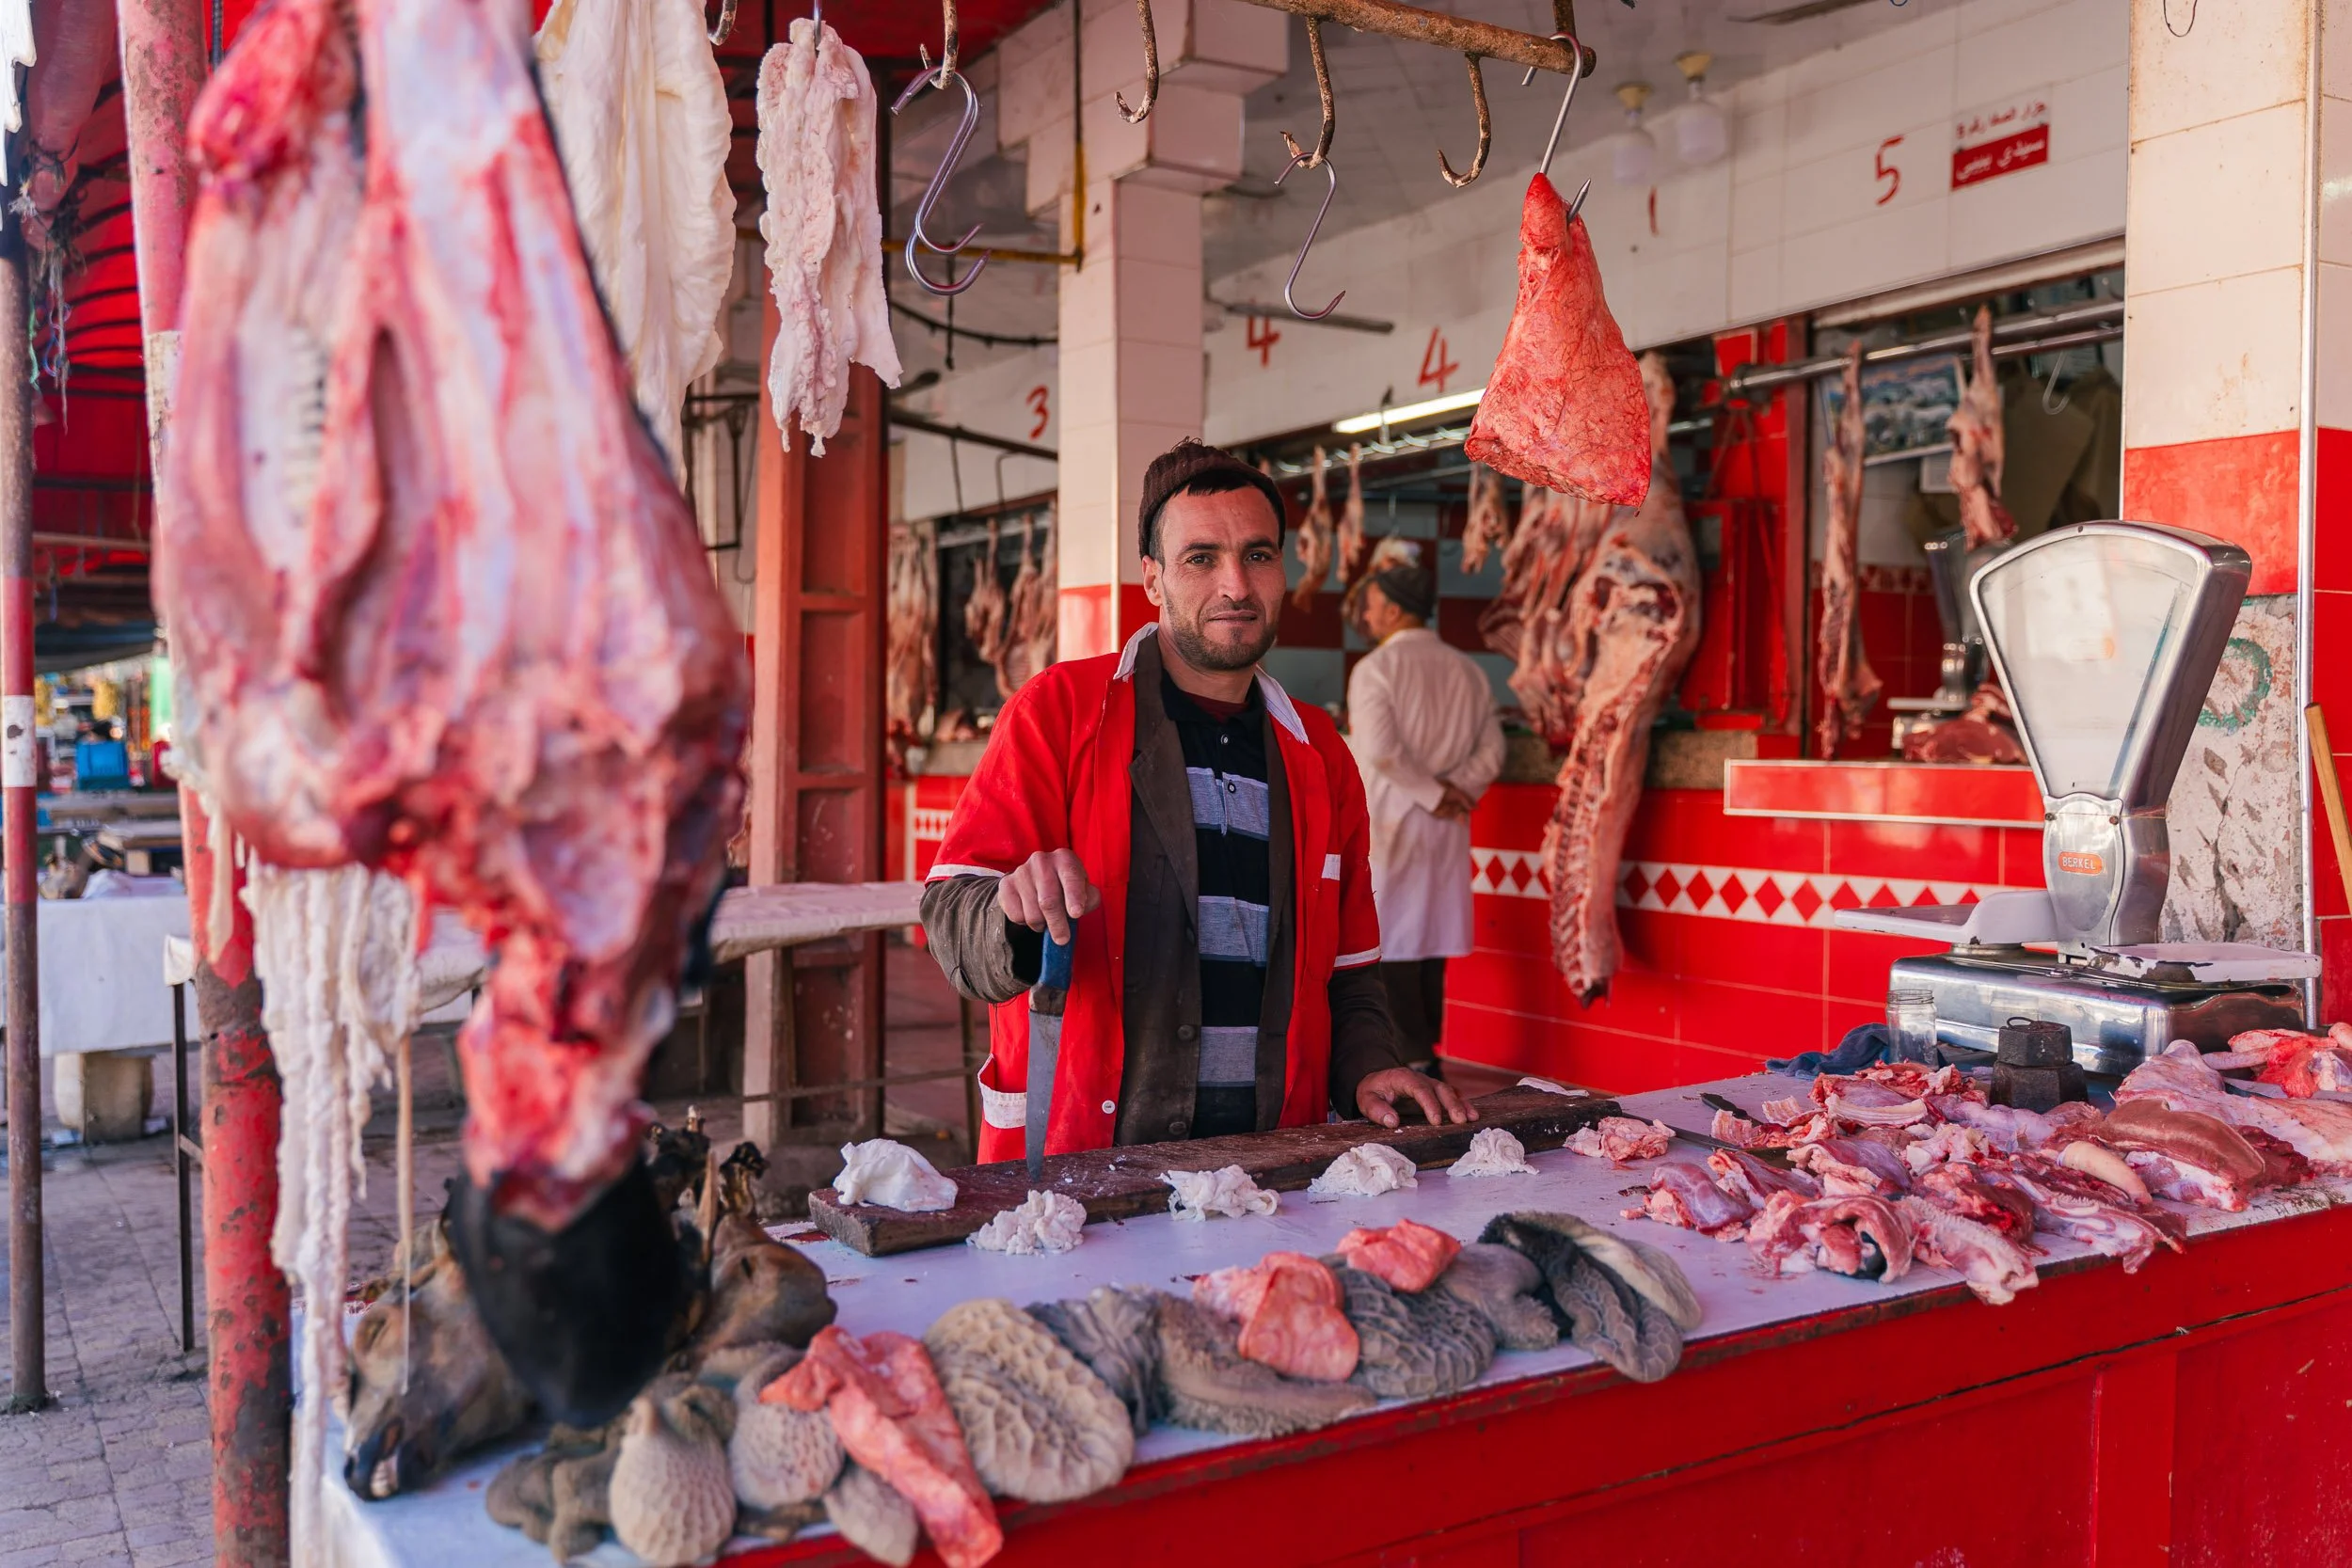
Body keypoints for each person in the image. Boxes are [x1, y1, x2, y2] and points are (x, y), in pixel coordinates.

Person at [921, 437, 1473, 1163]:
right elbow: (951, 918)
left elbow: (1351, 973)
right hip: (1083, 1164)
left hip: (1276, 1166)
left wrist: (1369, 1064)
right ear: (1152, 578)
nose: (1236, 587)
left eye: (1258, 555)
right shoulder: (1058, 712)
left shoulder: (1322, 753)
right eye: (1201, 557)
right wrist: (1013, 914)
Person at [1345, 551, 1505, 1079]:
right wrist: (1458, 790)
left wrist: (1435, 794)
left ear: (1393, 609)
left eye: (1370, 606)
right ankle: (1422, 1050)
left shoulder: (1375, 670)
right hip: (1444, 822)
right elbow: (1493, 747)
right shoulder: (1467, 669)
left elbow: (1383, 752)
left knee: (1390, 939)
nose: (1365, 617)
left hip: (1394, 821)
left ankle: (1409, 1055)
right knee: (1426, 937)